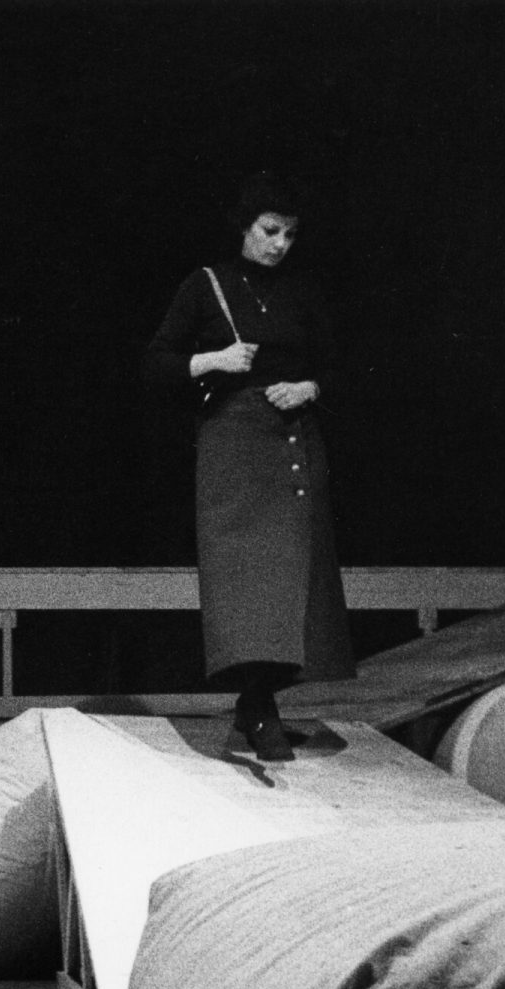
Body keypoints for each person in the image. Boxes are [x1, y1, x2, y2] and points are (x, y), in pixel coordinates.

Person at [143, 173, 354, 760]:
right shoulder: (206, 285)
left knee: (294, 585)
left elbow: (338, 366)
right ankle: (257, 706)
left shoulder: (301, 292)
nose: (280, 244)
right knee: (243, 584)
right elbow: (156, 363)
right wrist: (215, 359)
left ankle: (258, 705)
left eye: (289, 234)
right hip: (233, 450)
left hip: (290, 444)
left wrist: (308, 388)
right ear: (244, 227)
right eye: (269, 230)